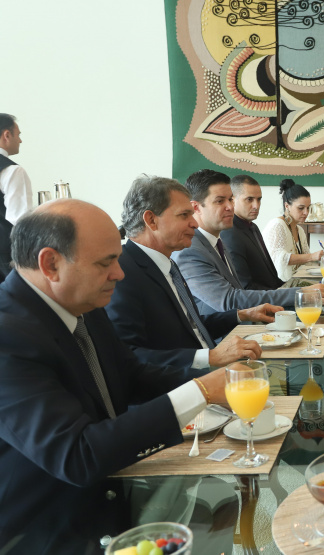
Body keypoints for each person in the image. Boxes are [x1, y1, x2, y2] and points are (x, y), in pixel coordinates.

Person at [0, 199, 228, 547]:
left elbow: (132, 374)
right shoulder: (8, 336)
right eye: (106, 263)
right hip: (48, 528)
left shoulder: (81, 300)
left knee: (224, 511)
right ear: (50, 264)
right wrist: (201, 392)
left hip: (122, 488)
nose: (119, 274)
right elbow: (78, 455)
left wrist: (217, 383)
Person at [107, 175, 282, 369]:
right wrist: (210, 358)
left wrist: (242, 314)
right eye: (184, 215)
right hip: (185, 388)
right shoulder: (122, 273)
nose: (195, 223)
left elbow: (188, 327)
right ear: (151, 220)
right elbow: (128, 356)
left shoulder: (167, 264)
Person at [171, 170, 324, 315]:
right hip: (225, 333)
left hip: (249, 314)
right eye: (220, 201)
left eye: (230, 199)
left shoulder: (219, 238)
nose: (230, 207)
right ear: (196, 207)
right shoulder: (190, 249)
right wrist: (300, 293)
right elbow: (229, 300)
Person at [221, 175, 286, 289]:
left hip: (274, 294)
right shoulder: (230, 233)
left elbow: (271, 277)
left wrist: (293, 290)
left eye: (259, 199)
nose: (256, 206)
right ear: (232, 200)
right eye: (249, 199)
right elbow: (245, 286)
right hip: (261, 302)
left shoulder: (253, 227)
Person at [261, 179, 322, 281]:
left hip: (295, 283)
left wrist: (323, 260)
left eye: (308, 208)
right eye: (301, 208)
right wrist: (312, 256)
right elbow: (279, 259)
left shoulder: (300, 230)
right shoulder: (277, 225)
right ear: (287, 206)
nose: (306, 213)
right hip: (277, 286)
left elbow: (307, 261)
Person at [0, 114, 32, 280]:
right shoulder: (12, 171)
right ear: (7, 135)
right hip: (4, 258)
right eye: (18, 135)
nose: (20, 141)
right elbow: (20, 221)